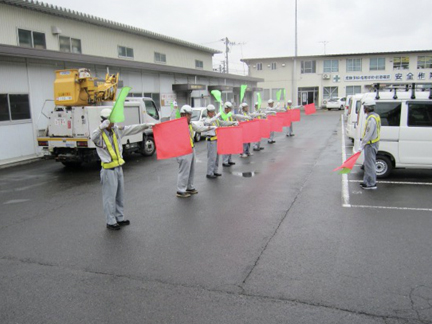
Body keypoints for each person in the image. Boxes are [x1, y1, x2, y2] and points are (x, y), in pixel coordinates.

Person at [91, 108, 155, 230]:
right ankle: (110, 221)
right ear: (105, 121)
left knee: (119, 195)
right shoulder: (99, 134)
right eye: (111, 120)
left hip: (118, 168)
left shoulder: (116, 131)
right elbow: (92, 137)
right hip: (108, 171)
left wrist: (146, 125)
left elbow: (132, 128)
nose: (113, 123)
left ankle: (119, 218)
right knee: (109, 198)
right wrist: (100, 127)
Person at [176, 105, 216, 197]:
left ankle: (189, 187)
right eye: (189, 115)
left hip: (191, 148)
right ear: (183, 114)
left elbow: (199, 128)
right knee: (184, 170)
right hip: (183, 150)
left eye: (190, 115)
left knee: (191, 169)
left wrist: (210, 128)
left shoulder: (190, 124)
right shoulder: (177, 125)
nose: (190, 117)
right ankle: (180, 190)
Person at [203, 105, 237, 178]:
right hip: (211, 141)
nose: (213, 113)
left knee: (217, 157)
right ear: (208, 112)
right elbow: (209, 122)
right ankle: (209, 173)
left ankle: (214, 171)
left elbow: (223, 123)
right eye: (211, 112)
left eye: (213, 112)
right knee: (212, 157)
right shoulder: (206, 120)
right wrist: (216, 116)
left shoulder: (215, 120)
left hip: (217, 140)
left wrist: (233, 122)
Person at [358, 99, 381, 190]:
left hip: (370, 144)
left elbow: (368, 134)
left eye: (364, 107)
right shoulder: (376, 116)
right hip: (373, 143)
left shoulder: (371, 119)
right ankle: (367, 181)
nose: (364, 109)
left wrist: (361, 146)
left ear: (367, 108)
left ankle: (371, 183)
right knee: (368, 164)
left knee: (370, 164)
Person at [220, 102, 237, 167]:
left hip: (230, 133)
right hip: (225, 134)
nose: (230, 110)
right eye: (229, 108)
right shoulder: (222, 115)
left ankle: (229, 160)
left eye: (230, 108)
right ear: (226, 108)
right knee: (226, 148)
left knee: (230, 147)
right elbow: (223, 123)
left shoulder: (229, 115)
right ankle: (225, 161)